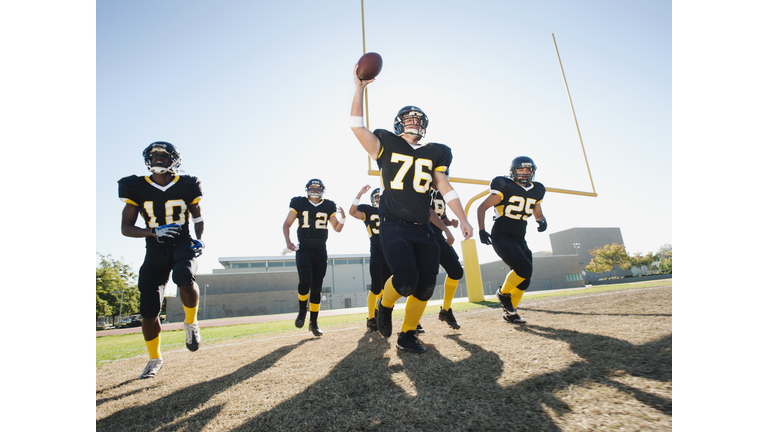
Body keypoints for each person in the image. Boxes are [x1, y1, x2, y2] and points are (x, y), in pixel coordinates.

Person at [350, 65, 473, 354]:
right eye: (409, 118)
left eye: (419, 119)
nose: (414, 121)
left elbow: (444, 185)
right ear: (397, 123)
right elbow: (356, 126)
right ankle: (385, 303)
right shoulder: (385, 143)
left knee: (426, 286)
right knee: (405, 280)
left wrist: (462, 217)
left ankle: (407, 336)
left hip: (422, 227)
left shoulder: (436, 152)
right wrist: (359, 88)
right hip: (394, 223)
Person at [118, 141, 206, 379]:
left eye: (163, 155)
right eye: (154, 155)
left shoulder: (188, 184)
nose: (158, 158)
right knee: (148, 310)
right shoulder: (135, 186)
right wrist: (153, 232)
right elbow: (126, 227)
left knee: (183, 277)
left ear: (173, 160)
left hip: (182, 243)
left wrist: (199, 239)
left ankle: (191, 323)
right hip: (155, 248)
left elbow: (197, 218)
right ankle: (154, 359)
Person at [476, 156, 547, 324]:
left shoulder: (537, 189)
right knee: (523, 268)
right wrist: (481, 230)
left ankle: (510, 313)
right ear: (513, 172)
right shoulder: (504, 185)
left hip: (520, 237)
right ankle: (503, 293)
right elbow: (482, 207)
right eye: (520, 170)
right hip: (502, 235)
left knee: (525, 278)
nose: (524, 173)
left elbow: (538, 212)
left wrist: (541, 221)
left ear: (532, 172)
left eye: (528, 170)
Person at [283, 178, 346, 337]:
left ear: (322, 190)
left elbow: (337, 228)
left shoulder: (328, 205)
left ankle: (314, 323)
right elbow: (287, 224)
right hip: (304, 248)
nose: (315, 190)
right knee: (305, 280)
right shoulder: (299, 203)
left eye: (318, 188)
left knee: (317, 287)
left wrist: (343, 218)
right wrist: (288, 241)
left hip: (320, 250)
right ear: (307, 189)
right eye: (312, 187)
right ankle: (302, 310)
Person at [348, 185, 391, 333]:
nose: (379, 199)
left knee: (387, 287)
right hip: (377, 250)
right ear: (373, 199)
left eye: (381, 196)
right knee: (376, 286)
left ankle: (382, 314)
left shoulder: (391, 210)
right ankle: (371, 318)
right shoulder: (368, 210)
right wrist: (359, 193)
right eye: (377, 196)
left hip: (390, 251)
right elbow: (352, 212)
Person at [428, 178, 464, 330]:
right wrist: (446, 229)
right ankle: (413, 320)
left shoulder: (441, 194)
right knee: (424, 279)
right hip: (422, 237)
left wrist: (450, 223)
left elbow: (441, 217)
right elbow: (428, 212)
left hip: (438, 238)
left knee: (456, 270)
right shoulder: (422, 189)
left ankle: (446, 310)